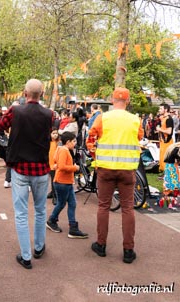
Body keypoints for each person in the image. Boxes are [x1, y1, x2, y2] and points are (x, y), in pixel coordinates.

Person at [0, 79, 53, 269]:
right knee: (40, 210)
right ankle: (39, 248)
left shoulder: (16, 110)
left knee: (21, 213)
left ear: (24, 93)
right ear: (42, 94)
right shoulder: (50, 114)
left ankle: (26, 256)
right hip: (41, 168)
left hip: (20, 168)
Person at [87, 87, 143, 264]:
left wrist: (96, 158)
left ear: (112, 100)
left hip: (106, 169)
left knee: (103, 206)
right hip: (127, 170)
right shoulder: (135, 120)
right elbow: (140, 137)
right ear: (128, 101)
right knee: (128, 208)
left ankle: (101, 245)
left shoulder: (103, 118)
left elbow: (90, 139)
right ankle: (128, 250)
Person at [46, 132, 88, 238]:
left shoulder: (61, 149)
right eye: (74, 141)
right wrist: (75, 168)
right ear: (68, 142)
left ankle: (71, 227)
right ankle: (54, 221)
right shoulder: (64, 150)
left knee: (71, 203)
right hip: (62, 182)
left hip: (64, 182)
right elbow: (62, 166)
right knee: (62, 203)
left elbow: (56, 162)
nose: (75, 143)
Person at [157, 103, 173, 172]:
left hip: (167, 142)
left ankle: (167, 174)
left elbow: (169, 131)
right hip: (163, 141)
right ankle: (164, 173)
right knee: (162, 157)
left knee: (166, 158)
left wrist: (159, 129)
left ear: (165, 110)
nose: (159, 110)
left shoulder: (169, 119)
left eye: (161, 108)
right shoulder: (164, 118)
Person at [47, 127, 60, 202]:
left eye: (56, 133)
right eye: (53, 133)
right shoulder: (48, 142)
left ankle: (55, 195)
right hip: (49, 163)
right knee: (52, 179)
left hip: (55, 164)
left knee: (54, 180)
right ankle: (53, 192)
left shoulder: (59, 142)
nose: (55, 135)